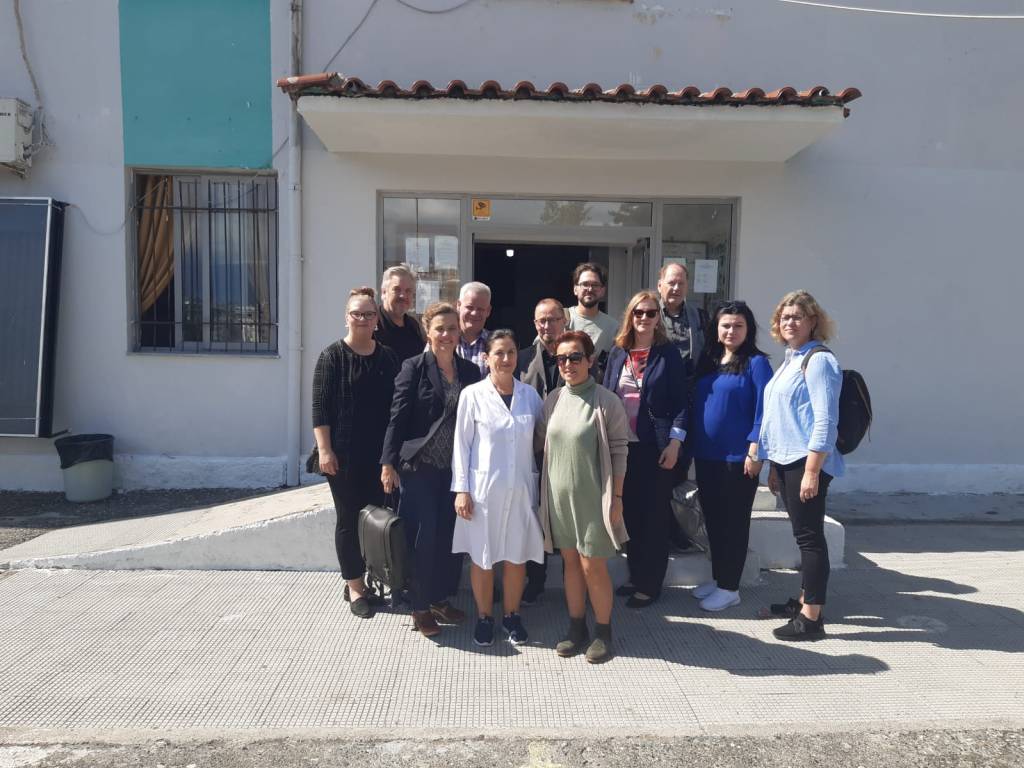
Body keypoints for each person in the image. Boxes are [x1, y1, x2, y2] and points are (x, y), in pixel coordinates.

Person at [381, 302, 481, 638]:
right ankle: (419, 607)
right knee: (423, 540)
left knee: (450, 539)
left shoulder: (470, 372)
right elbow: (397, 417)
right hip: (420, 467)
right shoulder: (414, 368)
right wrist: (387, 463)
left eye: (452, 328)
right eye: (440, 328)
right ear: (428, 331)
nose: (447, 335)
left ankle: (439, 598)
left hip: (456, 472)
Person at [537, 330, 630, 664]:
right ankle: (576, 628)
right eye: (561, 358)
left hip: (594, 498)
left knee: (594, 566)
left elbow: (620, 451)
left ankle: (603, 631)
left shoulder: (607, 401)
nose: (568, 364)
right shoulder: (553, 400)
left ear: (590, 360)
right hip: (559, 499)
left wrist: (617, 497)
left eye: (575, 357)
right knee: (571, 564)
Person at [757, 290, 843, 641]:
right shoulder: (792, 359)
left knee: (810, 539)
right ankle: (804, 601)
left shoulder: (819, 360)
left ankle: (812, 619)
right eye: (785, 317)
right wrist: (775, 466)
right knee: (803, 535)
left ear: (813, 321)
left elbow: (825, 421)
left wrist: (810, 470)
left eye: (798, 316)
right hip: (787, 461)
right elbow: (781, 419)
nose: (790, 322)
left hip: (806, 463)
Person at [311, 287, 400, 618]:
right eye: (356, 314)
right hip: (343, 458)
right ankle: (354, 586)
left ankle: (375, 579)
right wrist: (324, 450)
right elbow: (320, 408)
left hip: (379, 457)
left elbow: (396, 408)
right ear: (346, 316)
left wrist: (392, 456)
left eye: (368, 314)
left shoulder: (388, 357)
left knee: (376, 520)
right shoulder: (331, 356)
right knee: (348, 520)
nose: (362, 320)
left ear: (377, 319)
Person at [452, 330, 545, 647]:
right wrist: (461, 489)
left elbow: (540, 442)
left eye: (511, 353)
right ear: (486, 358)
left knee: (516, 556)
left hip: (520, 490)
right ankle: (484, 617)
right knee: (483, 556)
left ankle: (512, 616)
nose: (506, 359)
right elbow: (461, 446)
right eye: (499, 353)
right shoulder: (472, 395)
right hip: (482, 493)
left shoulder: (530, 397)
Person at [603, 290, 687, 608]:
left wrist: (676, 442)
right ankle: (637, 575)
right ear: (630, 315)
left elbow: (681, 402)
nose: (644, 318)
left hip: (655, 447)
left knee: (653, 517)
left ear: (658, 318)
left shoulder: (668, 355)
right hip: (622, 447)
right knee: (631, 515)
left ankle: (650, 585)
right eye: (639, 312)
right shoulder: (618, 352)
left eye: (651, 313)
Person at [689, 300, 773, 612]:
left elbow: (765, 411)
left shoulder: (757, 363)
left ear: (748, 329)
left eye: (738, 326)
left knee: (734, 522)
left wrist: (756, 449)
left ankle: (730, 588)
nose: (731, 331)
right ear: (716, 328)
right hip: (707, 454)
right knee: (712, 520)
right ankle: (719, 577)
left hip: (740, 457)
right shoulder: (709, 360)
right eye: (726, 325)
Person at [515, 298, 567, 604]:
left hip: (568, 453)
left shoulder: (579, 356)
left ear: (564, 321)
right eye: (542, 321)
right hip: (531, 452)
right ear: (535, 325)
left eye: (553, 319)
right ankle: (536, 579)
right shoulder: (520, 359)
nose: (548, 326)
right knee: (533, 518)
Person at [657, 261, 710, 550]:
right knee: (656, 469)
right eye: (671, 282)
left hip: (689, 402)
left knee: (680, 469)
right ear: (660, 285)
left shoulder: (699, 317)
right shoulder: (649, 314)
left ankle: (677, 528)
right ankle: (657, 527)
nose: (676, 288)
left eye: (681, 283)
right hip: (659, 403)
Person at [565, 263, 618, 381]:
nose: (590, 289)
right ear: (575, 289)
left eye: (595, 285)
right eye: (585, 284)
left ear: (603, 290)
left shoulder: (613, 327)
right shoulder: (561, 318)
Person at [374, 264, 425, 362]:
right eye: (397, 289)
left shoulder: (414, 326)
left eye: (408, 291)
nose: (403, 296)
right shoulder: (372, 324)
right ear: (384, 292)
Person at [456, 281, 493, 375]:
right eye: (469, 307)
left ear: (488, 311)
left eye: (480, 309)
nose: (474, 313)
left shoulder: (495, 344)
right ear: (458, 305)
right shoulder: (444, 340)